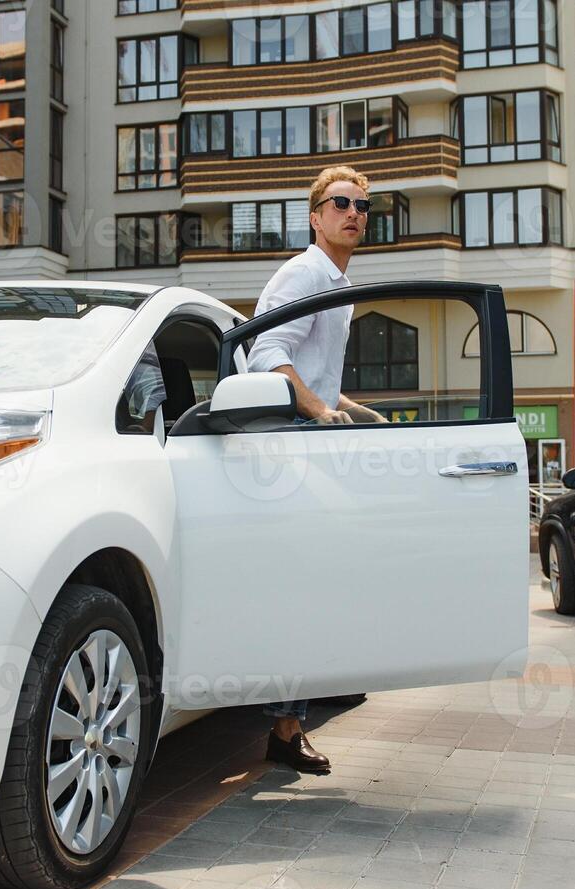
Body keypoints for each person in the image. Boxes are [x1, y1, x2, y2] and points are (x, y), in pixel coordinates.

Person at [246, 165, 386, 775]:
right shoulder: (305, 273)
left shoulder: (336, 282)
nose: (353, 212)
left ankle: (316, 685)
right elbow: (266, 355)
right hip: (285, 450)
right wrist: (318, 409)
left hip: (313, 442)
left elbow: (314, 370)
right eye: (340, 203)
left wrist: (351, 408)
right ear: (315, 216)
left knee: (329, 576)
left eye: (362, 205)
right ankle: (284, 729)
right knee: (297, 587)